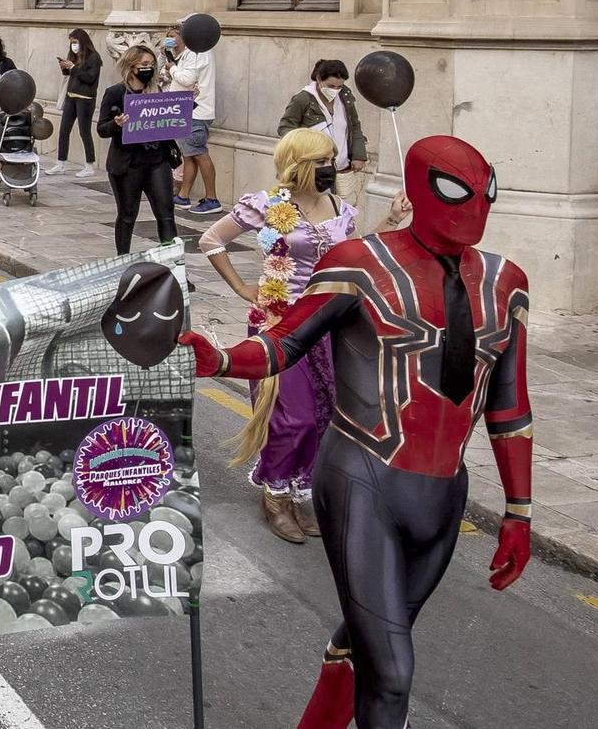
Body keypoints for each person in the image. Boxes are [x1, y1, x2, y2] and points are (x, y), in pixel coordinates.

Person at [180, 136, 532, 729]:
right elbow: (282, 342)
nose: (474, 205)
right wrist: (215, 359)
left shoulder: (506, 282)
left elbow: (509, 405)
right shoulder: (359, 263)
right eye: (457, 190)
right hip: (361, 482)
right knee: (391, 672)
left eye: (485, 190)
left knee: (368, 641)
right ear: (424, 189)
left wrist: (520, 512)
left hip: (443, 494)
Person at [197, 129, 411, 543]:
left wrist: (393, 219)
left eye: (332, 158)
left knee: (321, 417)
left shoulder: (338, 207)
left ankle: (297, 492)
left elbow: (358, 254)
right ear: (300, 165)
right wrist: (244, 288)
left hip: (326, 325)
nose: (332, 167)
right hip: (278, 325)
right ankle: (274, 497)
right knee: (291, 418)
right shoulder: (266, 206)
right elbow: (211, 239)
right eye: (323, 161)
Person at [97, 45, 181, 255]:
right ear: (131, 65)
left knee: (166, 214)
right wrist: (117, 124)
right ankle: (122, 260)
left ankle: (174, 264)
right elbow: (102, 129)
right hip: (127, 165)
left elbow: (169, 119)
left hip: (157, 161)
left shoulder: (156, 92)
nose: (148, 68)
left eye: (152, 65)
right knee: (127, 215)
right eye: (144, 64)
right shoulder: (115, 93)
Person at [280, 60, 371, 208]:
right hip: (313, 168)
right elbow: (285, 128)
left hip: (340, 168)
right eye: (331, 86)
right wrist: (304, 148)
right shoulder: (303, 99)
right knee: (316, 208)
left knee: (339, 209)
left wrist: (359, 154)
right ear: (318, 79)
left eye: (339, 86)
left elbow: (354, 125)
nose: (335, 90)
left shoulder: (345, 97)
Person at [166, 21, 221, 213]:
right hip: (188, 109)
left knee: (199, 153)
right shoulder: (194, 52)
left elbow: (187, 79)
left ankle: (212, 198)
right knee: (189, 155)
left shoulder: (198, 52)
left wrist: (172, 68)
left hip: (196, 111)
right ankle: (183, 195)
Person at [54, 28, 102, 175]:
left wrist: (73, 68)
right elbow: (71, 75)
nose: (73, 46)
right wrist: (65, 68)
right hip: (71, 97)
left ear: (82, 42)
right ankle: (60, 163)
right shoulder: (74, 56)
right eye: (71, 43)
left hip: (85, 99)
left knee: (84, 132)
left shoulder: (93, 57)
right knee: (64, 131)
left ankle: (89, 165)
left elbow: (89, 78)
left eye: (75, 42)